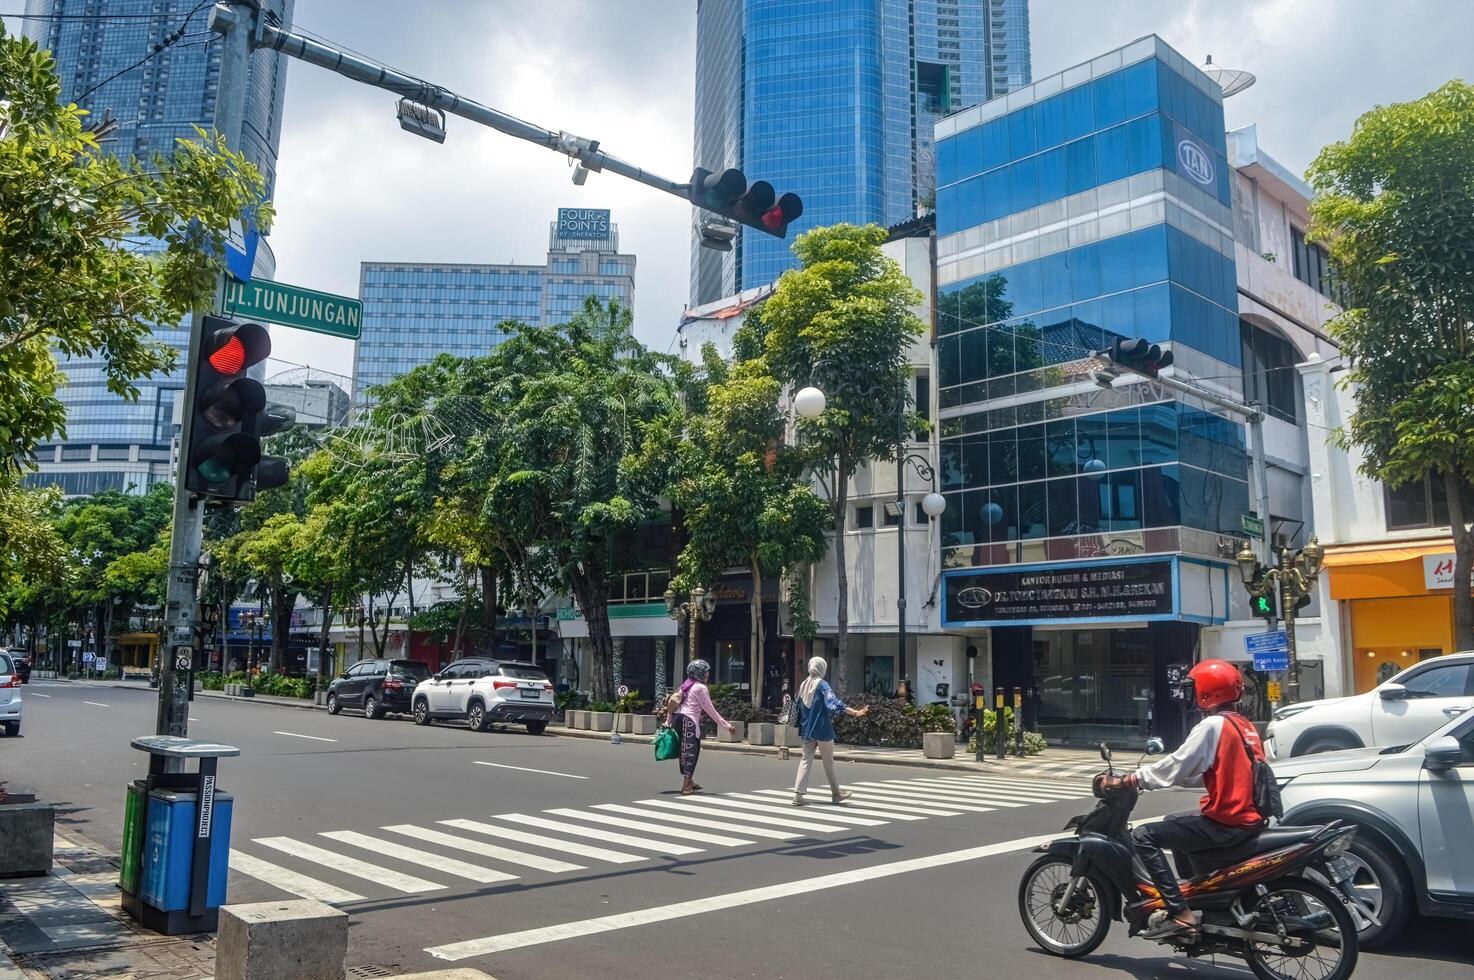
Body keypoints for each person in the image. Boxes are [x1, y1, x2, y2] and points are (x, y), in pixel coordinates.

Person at [1106, 659, 1267, 939]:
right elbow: (1204, 770)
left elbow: (1176, 764)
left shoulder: (1212, 725)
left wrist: (1130, 779)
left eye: (1194, 688)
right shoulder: (1243, 725)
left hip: (1228, 822)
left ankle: (1181, 913)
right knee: (1173, 821)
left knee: (1144, 836)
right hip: (1247, 818)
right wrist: (1172, 777)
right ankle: (1199, 894)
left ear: (1207, 692)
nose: (1190, 695)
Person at [791, 656, 870, 805]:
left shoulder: (803, 684)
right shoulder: (822, 685)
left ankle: (798, 795)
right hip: (822, 729)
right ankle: (836, 794)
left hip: (807, 729)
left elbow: (798, 706)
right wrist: (855, 712)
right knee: (828, 763)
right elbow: (833, 702)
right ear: (822, 668)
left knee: (805, 760)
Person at [667, 659, 733, 795]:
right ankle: (686, 786)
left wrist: (668, 722)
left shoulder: (686, 684)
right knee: (691, 752)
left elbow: (672, 705)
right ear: (700, 673)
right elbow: (710, 709)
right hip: (688, 720)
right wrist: (727, 726)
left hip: (679, 718)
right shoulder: (700, 688)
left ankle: (690, 780)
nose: (707, 674)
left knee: (686, 750)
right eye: (706, 672)